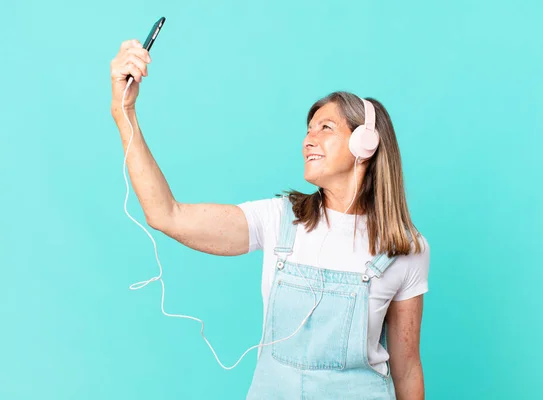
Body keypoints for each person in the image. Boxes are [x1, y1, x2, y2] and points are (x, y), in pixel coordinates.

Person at [110, 39, 430, 400]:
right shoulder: (279, 219)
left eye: (325, 128)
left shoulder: (404, 248)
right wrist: (124, 113)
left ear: (366, 143)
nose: (308, 139)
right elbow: (166, 214)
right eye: (308, 129)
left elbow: (407, 368)